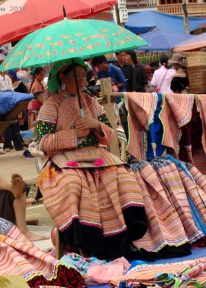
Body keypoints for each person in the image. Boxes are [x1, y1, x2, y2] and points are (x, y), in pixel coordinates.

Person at [36, 58, 147, 260]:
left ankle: (121, 240)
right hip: (64, 162)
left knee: (124, 178)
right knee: (73, 184)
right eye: (76, 77)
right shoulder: (51, 105)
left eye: (83, 77)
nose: (82, 81)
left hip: (98, 158)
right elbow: (43, 142)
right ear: (62, 77)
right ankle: (87, 243)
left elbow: (111, 136)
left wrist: (96, 125)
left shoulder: (91, 103)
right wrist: (74, 136)